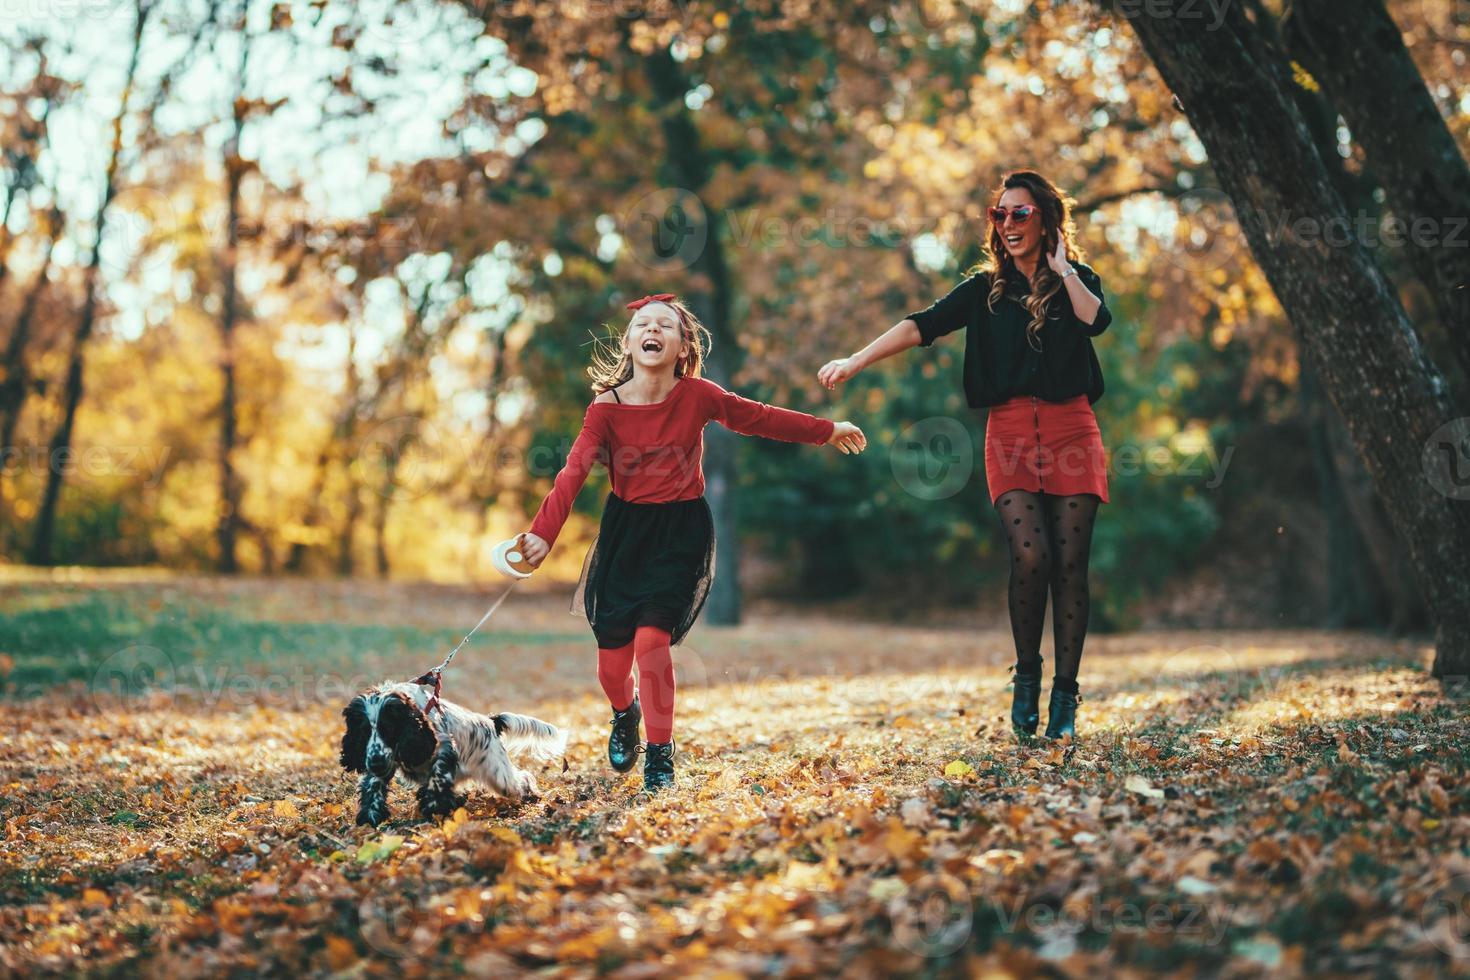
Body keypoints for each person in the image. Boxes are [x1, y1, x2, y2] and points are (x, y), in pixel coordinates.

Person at [518, 292, 867, 790]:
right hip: (626, 534)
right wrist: (540, 535)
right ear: (630, 342)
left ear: (683, 346)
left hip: (680, 530)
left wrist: (826, 430)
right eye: (642, 324)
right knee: (611, 667)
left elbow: (760, 416)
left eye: (664, 325)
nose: (651, 330)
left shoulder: (698, 394)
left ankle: (660, 753)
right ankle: (625, 712)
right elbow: (573, 472)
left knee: (652, 640)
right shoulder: (605, 410)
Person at [818, 170, 1112, 740]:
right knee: (1032, 556)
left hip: (1072, 429)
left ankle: (1066, 697)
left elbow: (1094, 319)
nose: (1006, 225)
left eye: (1019, 214)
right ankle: (1027, 675)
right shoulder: (984, 290)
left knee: (1071, 565)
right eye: (998, 216)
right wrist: (855, 361)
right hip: (1007, 434)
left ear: (1047, 219)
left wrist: (1063, 269)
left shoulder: (1078, 280)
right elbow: (921, 325)